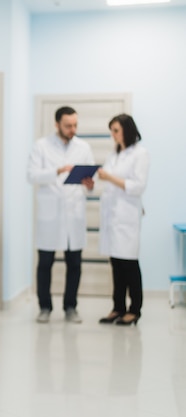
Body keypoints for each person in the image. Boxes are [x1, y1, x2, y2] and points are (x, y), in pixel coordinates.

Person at [27, 106, 95, 324]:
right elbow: (32, 175)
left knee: (74, 263)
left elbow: (89, 182)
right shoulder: (41, 146)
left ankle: (70, 307)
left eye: (75, 125)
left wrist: (89, 184)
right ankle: (45, 307)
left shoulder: (83, 147)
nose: (72, 129)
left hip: (73, 212)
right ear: (57, 124)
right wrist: (57, 170)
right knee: (45, 263)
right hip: (51, 213)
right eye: (68, 125)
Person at [97, 114, 149, 326]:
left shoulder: (140, 154)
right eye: (112, 131)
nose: (113, 135)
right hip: (112, 215)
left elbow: (137, 186)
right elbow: (109, 179)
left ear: (127, 130)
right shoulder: (115, 154)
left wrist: (109, 177)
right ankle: (117, 307)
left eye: (116, 130)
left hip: (127, 215)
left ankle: (134, 309)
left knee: (129, 265)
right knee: (116, 264)